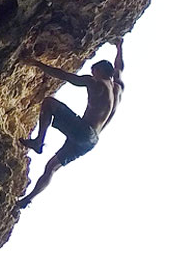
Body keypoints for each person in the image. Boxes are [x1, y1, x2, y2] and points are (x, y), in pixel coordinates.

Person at [18, 39, 125, 208]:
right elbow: (119, 68)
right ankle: (27, 200)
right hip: (91, 141)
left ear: (97, 70)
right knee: (52, 167)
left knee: (49, 103)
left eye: (93, 70)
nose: (92, 73)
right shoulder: (118, 88)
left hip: (84, 131)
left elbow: (65, 76)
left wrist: (36, 63)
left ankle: (39, 141)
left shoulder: (95, 82)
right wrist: (119, 47)